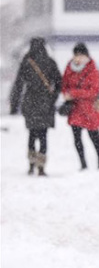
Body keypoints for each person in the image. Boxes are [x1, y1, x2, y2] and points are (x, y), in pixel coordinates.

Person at [10, 37, 62, 176]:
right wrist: (53, 97)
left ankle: (31, 164)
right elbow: (59, 82)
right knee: (43, 134)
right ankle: (41, 166)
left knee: (32, 134)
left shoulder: (27, 63)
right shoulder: (50, 62)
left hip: (30, 102)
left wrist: (14, 104)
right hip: (46, 103)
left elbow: (18, 85)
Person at [61, 43, 99, 170]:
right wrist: (66, 94)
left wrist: (74, 93)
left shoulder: (92, 69)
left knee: (94, 137)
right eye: (76, 55)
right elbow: (64, 85)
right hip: (74, 109)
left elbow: (93, 91)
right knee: (77, 139)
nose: (78, 59)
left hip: (89, 109)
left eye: (81, 56)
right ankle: (83, 164)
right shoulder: (69, 68)